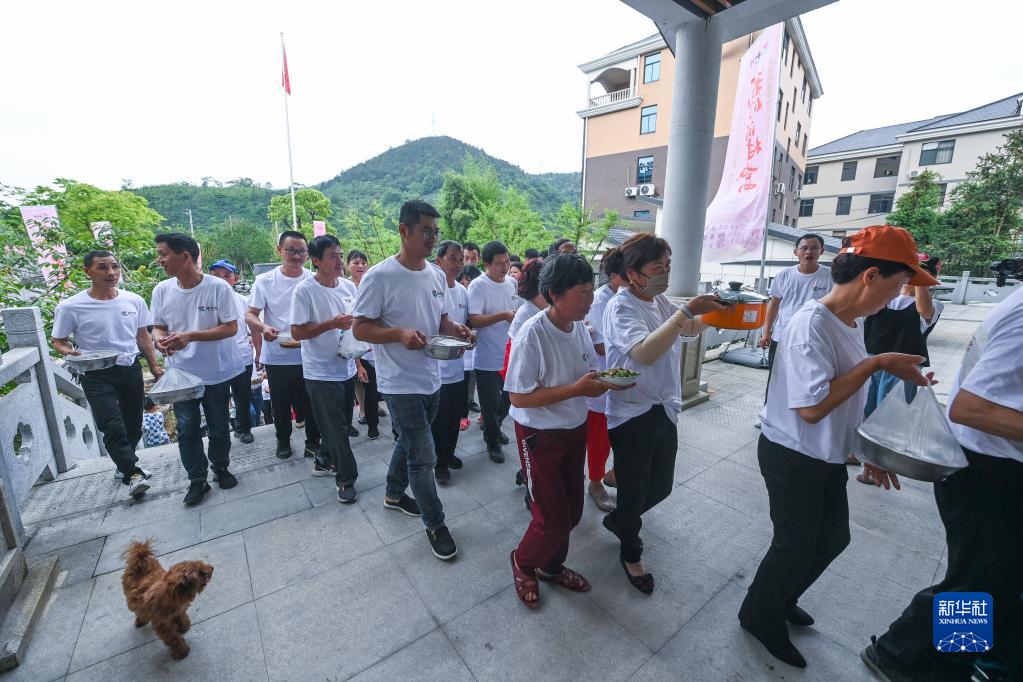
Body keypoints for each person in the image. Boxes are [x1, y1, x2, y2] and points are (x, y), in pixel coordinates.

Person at [738, 226, 938, 669]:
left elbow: (848, 398)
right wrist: (877, 363)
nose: (899, 294)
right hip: (793, 453)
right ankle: (759, 614)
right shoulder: (810, 325)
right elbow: (811, 408)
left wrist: (869, 450)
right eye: (899, 283)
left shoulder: (853, 321)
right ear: (871, 276)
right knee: (794, 547)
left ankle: (780, 597)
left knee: (832, 539)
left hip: (825, 453)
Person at [862, 283, 1023, 681]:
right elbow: (971, 407)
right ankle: (905, 657)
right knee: (979, 585)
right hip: (992, 470)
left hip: (998, 465)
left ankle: (966, 660)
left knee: (996, 582)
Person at [601, 234, 728, 593]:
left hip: (662, 406)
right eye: (658, 267)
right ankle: (631, 551)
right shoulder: (621, 306)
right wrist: (686, 311)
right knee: (634, 490)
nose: (665, 273)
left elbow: (688, 328)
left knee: (660, 486)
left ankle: (621, 520)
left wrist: (717, 312)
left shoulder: (657, 300)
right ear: (633, 273)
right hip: (631, 412)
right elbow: (644, 352)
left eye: (668, 265)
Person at [353, 199, 473, 561]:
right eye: (426, 231)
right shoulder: (380, 276)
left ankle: (393, 493)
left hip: (432, 377)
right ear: (404, 230)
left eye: (435, 232)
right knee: (423, 456)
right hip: (399, 382)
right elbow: (360, 328)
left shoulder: (435, 275)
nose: (432, 238)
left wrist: (457, 329)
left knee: (409, 442)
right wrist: (398, 334)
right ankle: (436, 524)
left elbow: (441, 319)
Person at [505, 254, 627, 608]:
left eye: (591, 289)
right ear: (554, 294)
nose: (590, 299)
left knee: (572, 511)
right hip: (539, 435)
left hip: (574, 428)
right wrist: (577, 389)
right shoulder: (533, 335)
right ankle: (523, 562)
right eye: (581, 292)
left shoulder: (578, 328)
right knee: (551, 518)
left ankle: (550, 566)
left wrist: (611, 381)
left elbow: (588, 372)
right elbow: (518, 396)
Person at [51, 249, 161, 497]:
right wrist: (70, 352)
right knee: (111, 424)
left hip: (129, 367)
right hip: (95, 373)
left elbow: (142, 336)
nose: (111, 272)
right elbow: (58, 340)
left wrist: (154, 365)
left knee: (133, 424)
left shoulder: (133, 300)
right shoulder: (71, 306)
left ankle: (124, 465)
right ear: (87, 271)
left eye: (114, 266)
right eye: (102, 267)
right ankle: (133, 474)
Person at [151, 233, 244, 505]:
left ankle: (220, 467)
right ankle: (197, 480)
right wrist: (159, 340)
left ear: (185, 256)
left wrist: (189, 336)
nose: (160, 260)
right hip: (181, 375)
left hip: (216, 371)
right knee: (187, 428)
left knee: (218, 426)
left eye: (164, 254)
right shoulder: (162, 290)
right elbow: (158, 327)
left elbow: (231, 327)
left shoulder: (218, 287)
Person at [855, 255, 943, 480]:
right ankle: (862, 455)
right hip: (871, 361)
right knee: (864, 410)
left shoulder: (931, 305)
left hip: (903, 369)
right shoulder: (884, 298)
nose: (911, 276)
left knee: (890, 417)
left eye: (919, 272)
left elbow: (924, 311)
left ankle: (879, 465)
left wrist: (920, 278)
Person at [290, 235, 360, 503]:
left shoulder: (348, 287)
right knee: (338, 429)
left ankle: (323, 460)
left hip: (346, 366)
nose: (340, 261)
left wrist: (359, 359)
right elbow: (297, 332)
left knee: (339, 425)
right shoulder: (305, 290)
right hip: (320, 372)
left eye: (340, 255)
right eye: (333, 256)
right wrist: (331, 323)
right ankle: (346, 479)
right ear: (316, 260)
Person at [247, 231, 321, 459]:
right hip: (278, 354)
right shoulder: (265, 281)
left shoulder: (313, 279)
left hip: (310, 352)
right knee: (280, 403)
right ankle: (283, 441)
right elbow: (250, 315)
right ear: (280, 250)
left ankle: (313, 442)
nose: (297, 256)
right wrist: (263, 328)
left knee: (312, 401)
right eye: (291, 250)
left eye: (302, 251)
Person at [758, 233, 832, 399]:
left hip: (813, 340)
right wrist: (766, 332)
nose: (809, 252)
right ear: (796, 251)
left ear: (822, 251)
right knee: (776, 380)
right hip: (782, 337)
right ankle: (770, 411)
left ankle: (798, 413)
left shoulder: (830, 276)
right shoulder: (783, 275)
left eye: (814, 248)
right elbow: (774, 305)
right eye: (804, 248)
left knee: (806, 382)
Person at [467, 241, 519, 463]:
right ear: (487, 264)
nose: (505, 267)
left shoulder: (512, 283)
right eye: (499, 263)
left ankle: (494, 427)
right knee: (490, 404)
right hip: (487, 357)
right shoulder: (478, 286)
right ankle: (492, 440)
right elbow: (474, 320)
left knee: (508, 399)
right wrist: (503, 315)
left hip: (509, 355)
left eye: (507, 261)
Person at [584, 247, 626, 513]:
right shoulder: (601, 299)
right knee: (599, 436)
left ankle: (613, 474)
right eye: (627, 273)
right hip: (604, 376)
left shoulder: (627, 296)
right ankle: (595, 482)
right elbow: (600, 346)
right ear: (613, 274)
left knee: (619, 432)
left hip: (621, 377)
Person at [430, 240, 469, 483]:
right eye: (452, 258)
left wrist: (468, 335)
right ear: (439, 260)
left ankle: (449, 453)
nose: (457, 264)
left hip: (458, 366)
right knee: (439, 419)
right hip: (436, 369)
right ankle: (439, 463)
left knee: (455, 416)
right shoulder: (432, 289)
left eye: (460, 259)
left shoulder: (463, 291)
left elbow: (464, 324)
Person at [208, 259, 255, 444]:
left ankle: (243, 429)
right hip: (214, 356)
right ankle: (220, 431)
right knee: (217, 397)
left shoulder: (243, 301)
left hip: (240, 355)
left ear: (235, 278)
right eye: (217, 275)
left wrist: (258, 351)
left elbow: (252, 329)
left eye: (227, 275)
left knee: (242, 394)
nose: (222, 279)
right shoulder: (205, 300)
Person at [348, 250, 383, 440]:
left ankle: (372, 413)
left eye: (363, 263)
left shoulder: (374, 284)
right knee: (364, 384)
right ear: (348, 266)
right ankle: (369, 420)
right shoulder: (346, 288)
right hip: (356, 343)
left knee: (374, 386)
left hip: (375, 343)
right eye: (356, 263)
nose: (360, 266)